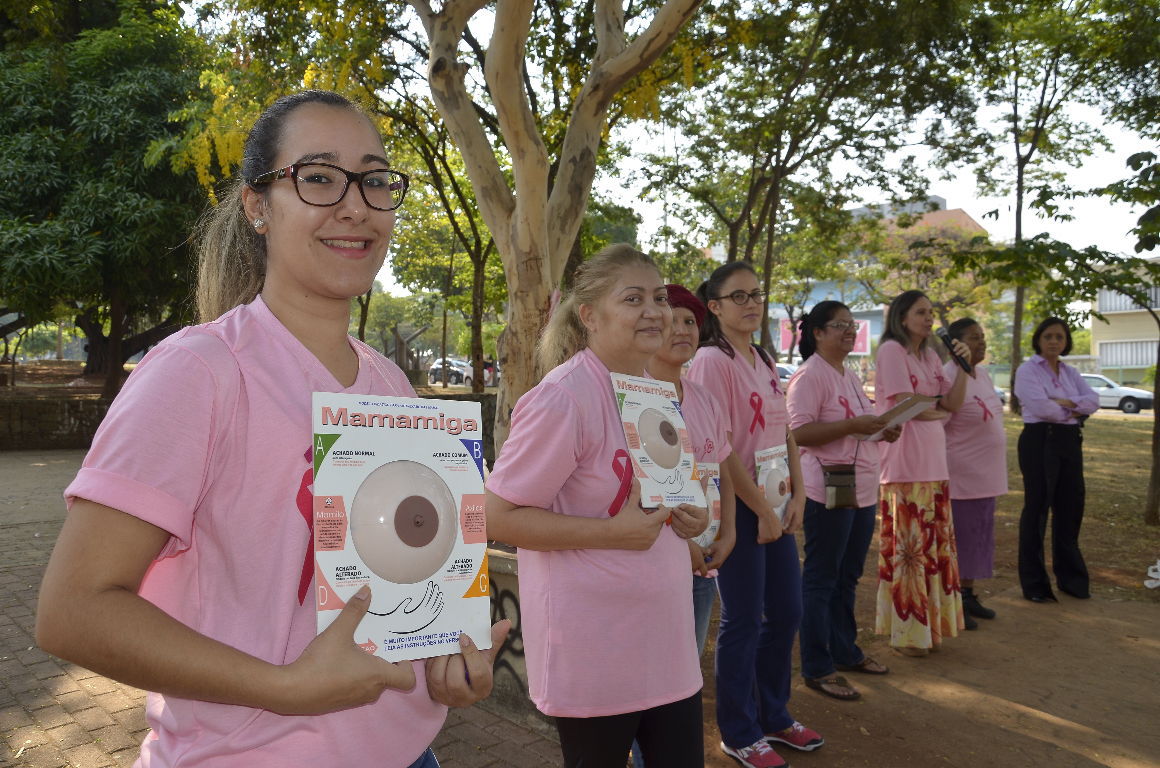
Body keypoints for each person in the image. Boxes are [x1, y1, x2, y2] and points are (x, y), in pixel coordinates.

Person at [35, 90, 509, 768]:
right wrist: (286, 689)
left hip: (410, 754)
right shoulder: (198, 372)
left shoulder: (394, 387)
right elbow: (73, 610)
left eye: (375, 179)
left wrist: (444, 664)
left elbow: (403, 589)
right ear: (259, 206)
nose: (356, 205)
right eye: (318, 177)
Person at [485, 245, 709, 768]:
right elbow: (495, 516)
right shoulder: (564, 397)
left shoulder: (654, 391)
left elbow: (655, 499)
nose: (654, 310)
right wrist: (613, 534)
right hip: (596, 649)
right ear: (589, 316)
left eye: (658, 296)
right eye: (633, 299)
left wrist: (688, 519)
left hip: (667, 642)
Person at [687, 262, 820, 768]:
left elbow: (783, 432)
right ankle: (739, 731)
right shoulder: (709, 361)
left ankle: (774, 715)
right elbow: (721, 448)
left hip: (778, 505)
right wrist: (759, 510)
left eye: (756, 294)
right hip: (740, 512)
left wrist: (800, 493)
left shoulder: (763, 356)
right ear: (715, 307)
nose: (751, 303)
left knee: (786, 611)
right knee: (743, 620)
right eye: (737, 296)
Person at [630, 283, 738, 768]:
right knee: (646, 676)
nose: (681, 329)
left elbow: (723, 470)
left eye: (691, 321)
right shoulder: (629, 396)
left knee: (684, 668)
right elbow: (635, 487)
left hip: (707, 561)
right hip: (661, 561)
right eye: (670, 319)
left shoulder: (703, 398)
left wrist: (729, 530)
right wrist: (681, 543)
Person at [787, 302, 897, 702]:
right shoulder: (809, 376)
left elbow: (855, 427)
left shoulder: (848, 374)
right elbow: (798, 434)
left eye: (853, 326)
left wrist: (879, 430)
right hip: (826, 488)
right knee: (821, 578)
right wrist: (854, 425)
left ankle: (845, 651)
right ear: (817, 332)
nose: (851, 332)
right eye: (841, 326)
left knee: (848, 576)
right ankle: (817, 667)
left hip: (862, 488)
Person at [873, 290, 969, 657]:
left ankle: (932, 627)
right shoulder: (891, 352)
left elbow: (952, 404)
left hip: (935, 464)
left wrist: (963, 366)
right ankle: (909, 633)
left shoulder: (930, 355)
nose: (929, 319)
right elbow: (905, 407)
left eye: (931, 312)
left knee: (935, 550)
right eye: (921, 312)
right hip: (904, 463)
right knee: (910, 550)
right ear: (901, 318)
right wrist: (936, 410)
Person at [1013, 317, 1099, 602]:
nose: (1053, 341)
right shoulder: (1027, 371)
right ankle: (1035, 584)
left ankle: (1071, 580)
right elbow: (1041, 407)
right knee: (1038, 508)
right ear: (1038, 339)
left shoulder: (1070, 372)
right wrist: (1073, 407)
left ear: (1066, 342)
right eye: (1048, 336)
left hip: (1069, 441)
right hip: (1039, 440)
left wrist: (1064, 403)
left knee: (1070, 507)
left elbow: (1093, 400)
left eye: (1059, 337)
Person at [942, 318, 1008, 624]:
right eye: (973, 338)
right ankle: (952, 600)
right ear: (956, 344)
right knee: (961, 540)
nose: (981, 343)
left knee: (979, 537)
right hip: (961, 476)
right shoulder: (948, 375)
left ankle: (968, 595)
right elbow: (939, 425)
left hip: (987, 475)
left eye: (982, 337)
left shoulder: (981, 374)